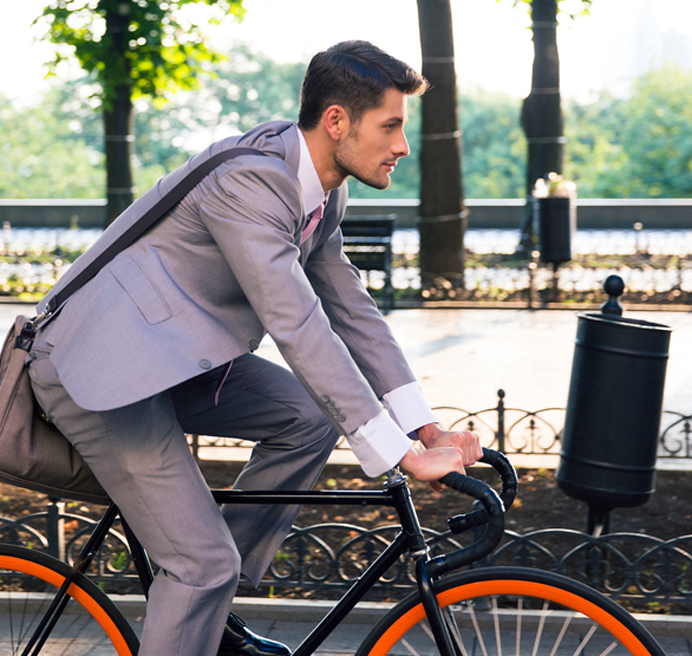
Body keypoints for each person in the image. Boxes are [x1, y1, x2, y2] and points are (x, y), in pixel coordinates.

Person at [27, 40, 483, 656]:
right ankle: (200, 582)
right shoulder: (249, 183)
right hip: (101, 371)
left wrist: (424, 429)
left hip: (170, 360)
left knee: (307, 420)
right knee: (201, 564)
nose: (402, 145)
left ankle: (206, 613)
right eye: (392, 125)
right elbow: (299, 324)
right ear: (337, 122)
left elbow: (351, 311)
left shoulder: (321, 187)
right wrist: (398, 454)